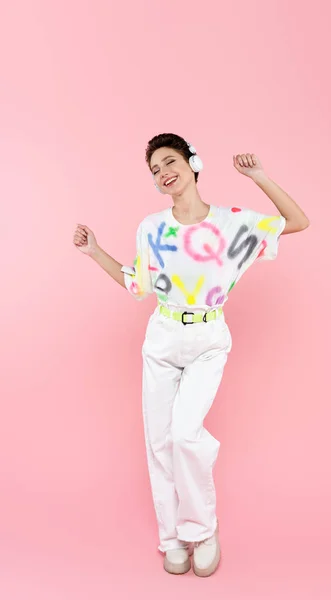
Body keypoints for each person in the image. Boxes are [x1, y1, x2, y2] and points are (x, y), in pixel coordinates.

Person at [73, 133, 309, 577]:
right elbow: (138, 285)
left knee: (185, 435)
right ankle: (172, 538)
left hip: (207, 337)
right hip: (162, 335)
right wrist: (94, 252)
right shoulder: (151, 227)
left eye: (169, 162)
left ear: (192, 162)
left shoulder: (231, 223)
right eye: (155, 170)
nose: (163, 173)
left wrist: (258, 175)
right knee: (159, 441)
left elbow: (297, 221)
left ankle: (202, 528)